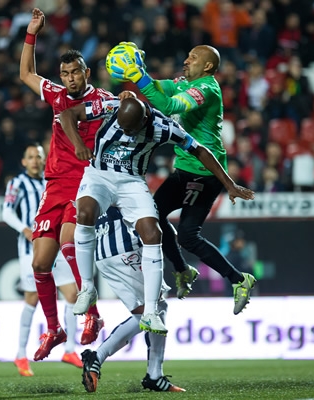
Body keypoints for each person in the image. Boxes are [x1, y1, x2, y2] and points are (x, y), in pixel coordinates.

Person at [60, 97, 255, 335]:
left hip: (132, 181)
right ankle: (87, 289)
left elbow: (200, 150)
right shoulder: (111, 105)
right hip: (99, 174)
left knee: (153, 233)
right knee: (85, 212)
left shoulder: (164, 127)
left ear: (144, 120)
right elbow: (68, 114)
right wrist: (78, 143)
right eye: (121, 127)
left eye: (131, 129)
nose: (126, 134)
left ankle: (151, 312)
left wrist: (229, 183)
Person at [110, 44, 258, 314]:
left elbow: (167, 105)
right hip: (184, 169)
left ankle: (239, 280)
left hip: (205, 172)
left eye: (193, 58)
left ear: (208, 67)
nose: (186, 60)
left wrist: (229, 185)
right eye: (187, 55)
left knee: (188, 236)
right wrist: (138, 74)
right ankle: (183, 271)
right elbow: (157, 88)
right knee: (152, 218)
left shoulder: (206, 89)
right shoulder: (183, 83)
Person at [19, 8, 110, 361]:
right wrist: (32, 34)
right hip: (54, 185)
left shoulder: (101, 101)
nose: (70, 78)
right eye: (65, 73)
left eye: (75, 72)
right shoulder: (56, 95)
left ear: (87, 72)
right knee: (40, 264)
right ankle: (54, 329)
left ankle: (91, 313)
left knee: (69, 241)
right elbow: (26, 72)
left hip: (86, 183)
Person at [80, 207, 184, 393]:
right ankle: (99, 358)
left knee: (153, 309)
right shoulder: (124, 179)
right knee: (153, 311)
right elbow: (139, 207)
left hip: (103, 252)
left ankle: (154, 375)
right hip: (126, 249)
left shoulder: (91, 184)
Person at [2, 143, 83, 376]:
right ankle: (20, 354)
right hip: (31, 250)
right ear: (24, 161)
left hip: (54, 245)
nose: (35, 161)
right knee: (32, 298)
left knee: (72, 295)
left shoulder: (50, 180)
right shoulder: (17, 183)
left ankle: (69, 350)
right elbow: (6, 211)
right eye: (31, 157)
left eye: (38, 156)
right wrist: (25, 229)